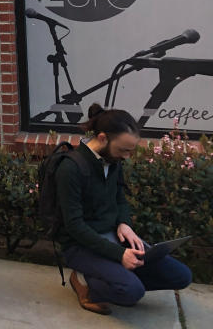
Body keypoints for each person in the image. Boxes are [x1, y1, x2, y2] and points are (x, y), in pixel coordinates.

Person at [57, 104, 192, 315]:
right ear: (102, 138)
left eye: (130, 151)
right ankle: (84, 280)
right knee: (131, 292)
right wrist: (120, 255)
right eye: (123, 150)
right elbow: (74, 226)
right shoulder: (70, 168)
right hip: (79, 246)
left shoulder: (113, 159)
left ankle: (117, 276)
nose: (127, 156)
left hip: (113, 237)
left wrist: (124, 223)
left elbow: (120, 198)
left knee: (181, 276)